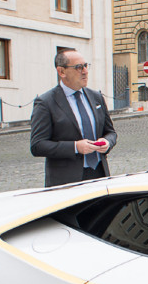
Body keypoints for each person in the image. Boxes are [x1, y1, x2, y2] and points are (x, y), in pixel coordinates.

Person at [30, 50, 118, 187]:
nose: (85, 71)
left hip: (100, 175)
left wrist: (107, 142)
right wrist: (75, 147)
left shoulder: (96, 97)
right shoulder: (45, 103)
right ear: (61, 72)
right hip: (67, 182)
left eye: (85, 66)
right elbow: (37, 145)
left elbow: (111, 132)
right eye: (78, 67)